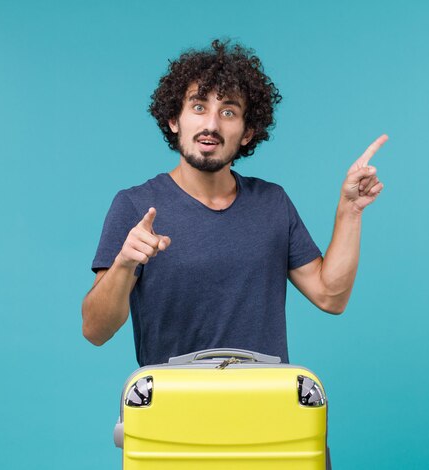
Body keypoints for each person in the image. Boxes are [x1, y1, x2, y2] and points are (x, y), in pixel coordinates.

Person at [82, 39, 387, 367]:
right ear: (174, 120)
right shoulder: (135, 205)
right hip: (173, 410)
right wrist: (125, 262)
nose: (211, 124)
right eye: (198, 107)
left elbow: (331, 296)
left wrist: (350, 209)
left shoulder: (272, 203)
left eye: (228, 111)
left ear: (247, 132)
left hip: (264, 407)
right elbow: (95, 330)